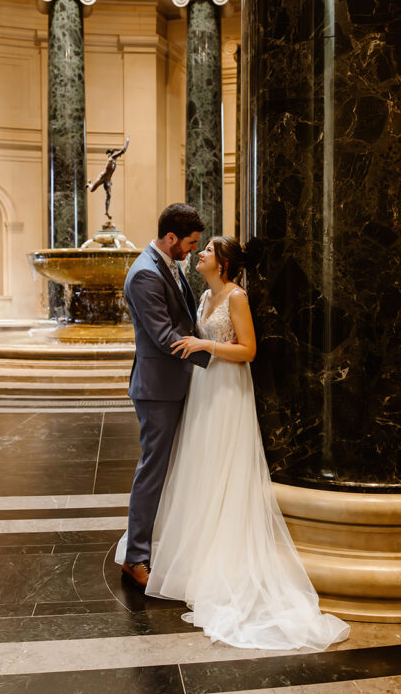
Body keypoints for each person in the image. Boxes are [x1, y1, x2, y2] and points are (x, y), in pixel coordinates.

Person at [119, 231, 350, 651]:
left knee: (223, 462)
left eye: (206, 250)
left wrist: (205, 343)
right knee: (198, 465)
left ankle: (221, 558)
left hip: (227, 389)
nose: (200, 254)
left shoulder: (236, 297)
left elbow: (249, 351)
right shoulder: (204, 297)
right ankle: (193, 549)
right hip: (203, 388)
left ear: (222, 263)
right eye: (200, 247)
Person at [121, 203, 211, 590]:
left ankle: (162, 542)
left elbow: (185, 320)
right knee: (153, 471)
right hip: (157, 389)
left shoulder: (168, 264)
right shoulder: (144, 274)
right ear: (170, 238)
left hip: (175, 382)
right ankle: (136, 557)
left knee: (171, 469)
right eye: (189, 244)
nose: (192, 251)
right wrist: (219, 356)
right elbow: (163, 336)